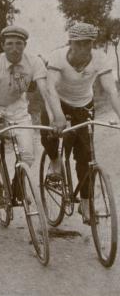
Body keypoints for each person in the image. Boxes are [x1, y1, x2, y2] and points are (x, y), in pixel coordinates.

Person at [0, 25, 65, 207]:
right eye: (9, 44)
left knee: (27, 154)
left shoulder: (34, 62)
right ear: (2, 45)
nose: (15, 48)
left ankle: (17, 187)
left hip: (16, 105)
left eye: (19, 44)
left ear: (25, 45)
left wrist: (54, 118)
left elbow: (45, 92)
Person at [41, 22, 120, 223]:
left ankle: (86, 204)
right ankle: (55, 162)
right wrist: (58, 117)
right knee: (50, 134)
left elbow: (112, 91)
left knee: (85, 156)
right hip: (57, 101)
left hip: (84, 105)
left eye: (88, 44)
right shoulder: (59, 57)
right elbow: (50, 87)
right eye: (79, 44)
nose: (84, 48)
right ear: (71, 43)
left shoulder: (100, 59)